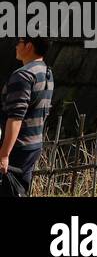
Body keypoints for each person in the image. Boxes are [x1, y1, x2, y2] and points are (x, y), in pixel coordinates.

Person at [1, 35, 53, 193]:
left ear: (29, 46)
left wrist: (4, 154)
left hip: (17, 146)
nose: (16, 46)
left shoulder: (23, 75)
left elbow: (16, 118)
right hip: (33, 144)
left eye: (19, 42)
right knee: (19, 190)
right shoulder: (46, 72)